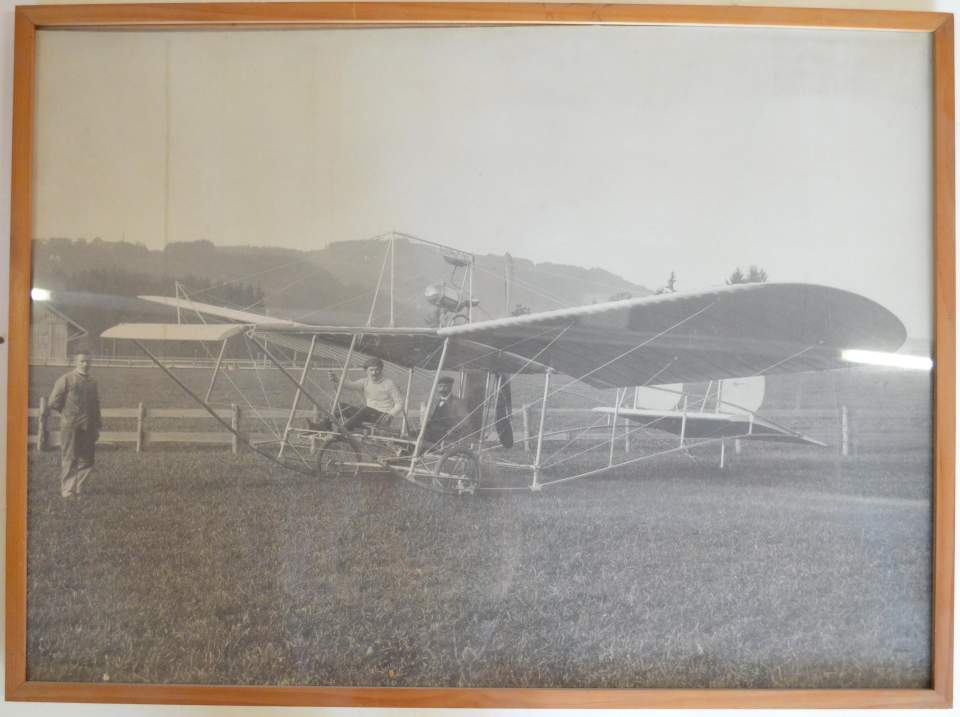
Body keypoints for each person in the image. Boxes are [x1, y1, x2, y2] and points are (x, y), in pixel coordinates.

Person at [47, 350, 102, 499]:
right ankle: (67, 491)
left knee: (88, 459)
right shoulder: (66, 379)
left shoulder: (93, 382)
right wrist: (68, 414)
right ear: (75, 362)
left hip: (89, 426)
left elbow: (96, 405)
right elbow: (53, 402)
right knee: (70, 457)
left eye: (88, 361)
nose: (85, 364)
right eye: (82, 361)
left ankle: (79, 489)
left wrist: (97, 425)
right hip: (70, 426)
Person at [329, 357, 403, 431]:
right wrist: (337, 379)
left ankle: (343, 430)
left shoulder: (389, 383)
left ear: (381, 370)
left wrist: (390, 415)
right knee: (340, 406)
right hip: (368, 414)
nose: (374, 373)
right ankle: (325, 426)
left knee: (366, 409)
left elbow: (399, 403)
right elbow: (351, 385)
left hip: (382, 416)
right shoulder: (365, 382)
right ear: (366, 371)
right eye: (371, 370)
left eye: (377, 369)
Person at [422, 375, 467, 449]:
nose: (442, 389)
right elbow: (430, 417)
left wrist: (454, 429)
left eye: (445, 386)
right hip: (431, 433)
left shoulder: (457, 402)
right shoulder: (434, 402)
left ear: (450, 387)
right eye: (440, 387)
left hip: (447, 435)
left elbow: (465, 421)